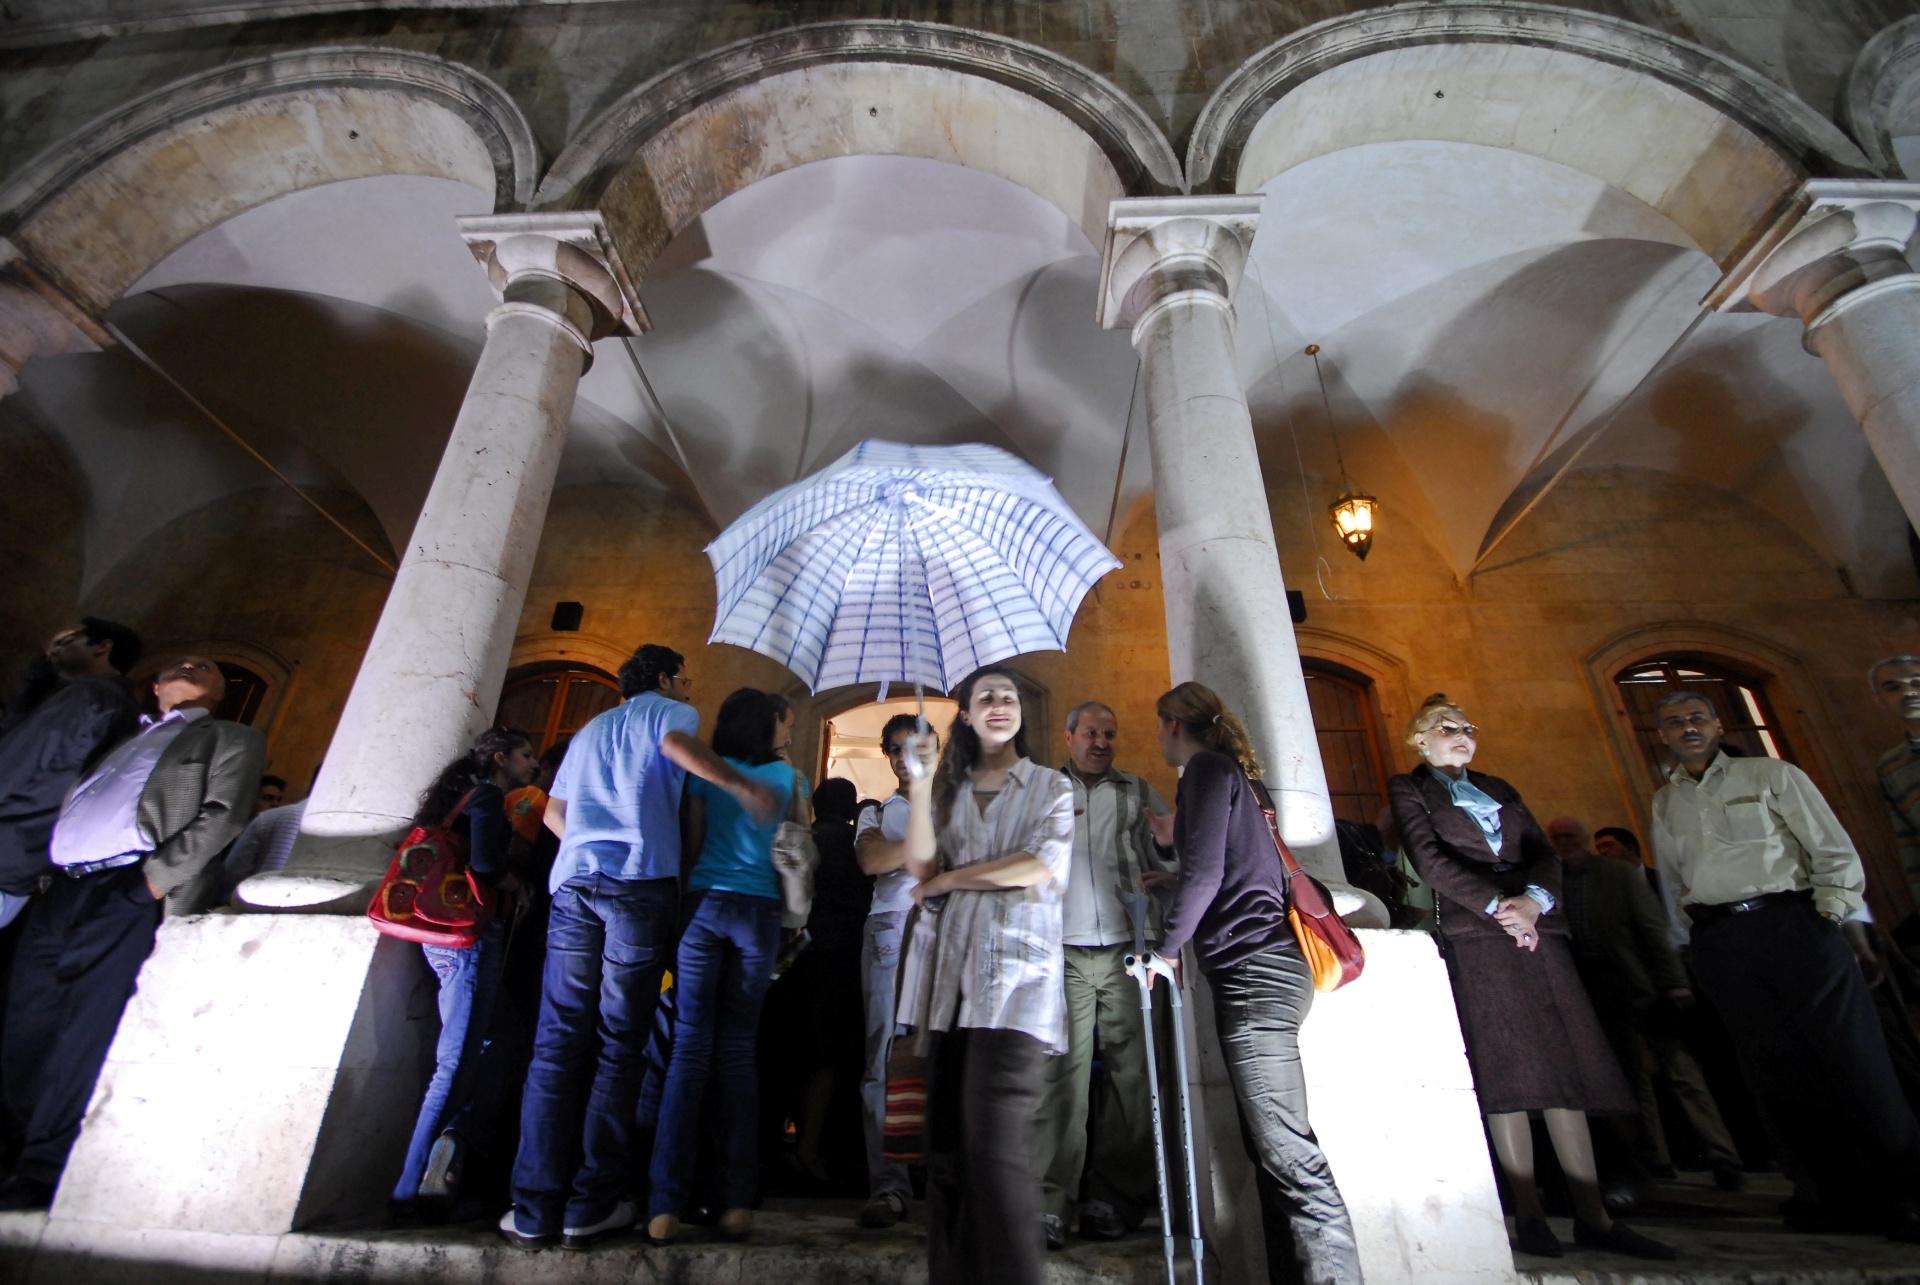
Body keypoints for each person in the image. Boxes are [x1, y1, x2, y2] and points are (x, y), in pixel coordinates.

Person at [500, 645, 777, 1251]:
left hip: (575, 885)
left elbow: (555, 814)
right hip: (637, 883)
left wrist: (588, 848)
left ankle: (533, 1208)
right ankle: (590, 1205)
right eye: (684, 679)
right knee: (619, 1043)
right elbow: (678, 750)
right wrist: (742, 785)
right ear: (663, 679)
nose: (688, 689)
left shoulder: (591, 727)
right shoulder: (667, 714)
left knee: (556, 1043)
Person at [1389, 694, 1672, 1260]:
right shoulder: (1411, 788)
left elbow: (1542, 849)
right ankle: (1529, 1210)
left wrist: (1536, 902)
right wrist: (1499, 906)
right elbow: (1431, 861)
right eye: (1448, 727)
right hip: (1479, 936)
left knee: (1564, 1065)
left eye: (1468, 725)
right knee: (1508, 1067)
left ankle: (1594, 1212)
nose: (1463, 734)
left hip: (1539, 930)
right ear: (1420, 739)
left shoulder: (1500, 786)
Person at [1650, 689, 1920, 1239]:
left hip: (1793, 925)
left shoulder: (1771, 774)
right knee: (1778, 1073)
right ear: (1664, 736)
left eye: (1697, 718)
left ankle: (1906, 1193)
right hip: (1723, 941)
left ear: (1719, 725)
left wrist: (1831, 918)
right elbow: (1674, 875)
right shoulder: (1666, 801)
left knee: (1853, 1059)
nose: (1688, 728)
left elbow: (1831, 847)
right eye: (1675, 723)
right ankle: (1834, 1193)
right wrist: (1694, 940)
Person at [0, 654, 263, 1209]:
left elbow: (224, 815)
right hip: (60, 887)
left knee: (85, 1028)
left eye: (208, 666)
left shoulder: (231, 738)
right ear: (157, 685)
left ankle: (43, 1169)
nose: (194, 664)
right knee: (27, 1020)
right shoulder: (121, 737)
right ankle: (9, 1148)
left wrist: (149, 884)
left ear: (217, 691)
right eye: (179, 663)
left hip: (128, 885)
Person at [1145, 681, 1361, 1285]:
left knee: (1290, 1155)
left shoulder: (1206, 769)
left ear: (1171, 724)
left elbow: (1211, 872)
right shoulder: (1232, 774)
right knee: (1272, 1147)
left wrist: (1165, 951)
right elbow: (1233, 868)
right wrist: (1174, 873)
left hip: (1254, 972)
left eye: (1157, 725)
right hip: (1267, 969)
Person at [896, 666, 1072, 1285]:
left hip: (1016, 992)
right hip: (949, 992)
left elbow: (1039, 864)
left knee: (996, 1155)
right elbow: (920, 862)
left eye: (1009, 696)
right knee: (945, 1155)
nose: (999, 704)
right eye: (985, 698)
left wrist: (949, 879)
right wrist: (919, 785)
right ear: (965, 715)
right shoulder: (953, 789)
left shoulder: (1050, 785)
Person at [647, 688, 805, 1244]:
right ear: (765, 727)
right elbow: (799, 846)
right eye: (784, 724)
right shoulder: (787, 779)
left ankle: (665, 1204)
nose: (788, 733)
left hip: (703, 905)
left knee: (689, 1049)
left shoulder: (704, 774)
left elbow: (693, 845)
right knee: (738, 1052)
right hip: (758, 913)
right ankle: (735, 1201)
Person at [1032, 700, 1173, 1247]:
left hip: (1126, 952)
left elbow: (1172, 858)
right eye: (1090, 732)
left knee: (1133, 1077)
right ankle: (1050, 1201)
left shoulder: (1136, 792)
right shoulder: (1043, 789)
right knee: (1059, 1078)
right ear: (1068, 737)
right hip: (1062, 953)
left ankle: (1114, 1197)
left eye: (1109, 734)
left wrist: (1165, 855)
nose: (1100, 742)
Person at [1546, 815, 1742, 1190]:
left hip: (1641, 985)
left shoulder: (1617, 876)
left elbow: (1652, 930)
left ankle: (1722, 1155)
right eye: (1557, 838)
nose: (1564, 842)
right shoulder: (1551, 883)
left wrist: (1674, 984)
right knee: (1628, 1076)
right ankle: (1652, 1157)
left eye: (1571, 835)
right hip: (1595, 990)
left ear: (1583, 838)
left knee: (1681, 1071)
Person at [391, 727, 540, 1222]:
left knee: (506, 1036)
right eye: (525, 755)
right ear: (501, 758)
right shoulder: (490, 794)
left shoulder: (461, 794)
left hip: (444, 939)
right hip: (470, 938)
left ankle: (452, 1150)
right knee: (454, 1062)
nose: (533, 764)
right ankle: (409, 1190)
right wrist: (515, 883)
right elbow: (484, 862)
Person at [850, 713, 935, 1229]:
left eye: (920, 747)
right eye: (901, 749)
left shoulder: (953, 806)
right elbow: (872, 859)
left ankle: (944, 1175)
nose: (911, 757)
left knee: (945, 1052)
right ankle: (889, 1185)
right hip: (890, 929)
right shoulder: (879, 810)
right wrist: (922, 849)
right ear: (889, 756)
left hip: (944, 932)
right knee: (883, 1056)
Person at [0, 620, 143, 928]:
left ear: (102, 647)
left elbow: (15, 762)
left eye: (69, 640)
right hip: (24, 858)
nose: (56, 648)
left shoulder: (87, 696)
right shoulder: (118, 704)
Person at [1872, 655, 1920, 936]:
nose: (1909, 692)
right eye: (1893, 687)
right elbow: (1909, 840)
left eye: (1916, 683)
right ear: (1880, 700)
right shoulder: (1891, 766)